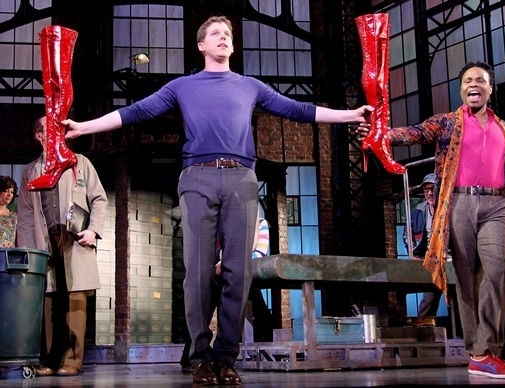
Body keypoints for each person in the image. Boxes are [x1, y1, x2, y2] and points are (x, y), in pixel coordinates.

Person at [61, 15, 371, 386]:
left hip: (241, 178)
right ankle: (200, 358)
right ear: (201, 46)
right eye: (215, 34)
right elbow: (136, 111)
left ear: (232, 46)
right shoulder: (183, 86)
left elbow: (298, 110)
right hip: (197, 177)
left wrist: (351, 114)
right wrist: (83, 127)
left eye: (228, 34)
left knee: (239, 274)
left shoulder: (250, 86)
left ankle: (226, 358)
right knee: (197, 275)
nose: (223, 38)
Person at [358, 61, 505, 379]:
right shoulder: (448, 123)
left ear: (490, 88)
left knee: (499, 270)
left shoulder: (503, 128)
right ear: (462, 89)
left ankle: (490, 349)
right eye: (467, 80)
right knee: (467, 277)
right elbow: (414, 133)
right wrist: (380, 134)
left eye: (480, 80)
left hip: (499, 203)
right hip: (460, 201)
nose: (473, 84)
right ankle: (478, 354)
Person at [17, 116, 108, 377]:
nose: (58, 131)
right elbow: (24, 215)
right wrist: (28, 252)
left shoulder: (81, 163)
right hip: (43, 241)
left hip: (74, 240)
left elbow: (99, 199)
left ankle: (73, 359)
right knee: (47, 303)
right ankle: (48, 359)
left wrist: (93, 230)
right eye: (50, 128)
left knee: (74, 300)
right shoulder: (30, 171)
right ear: (39, 136)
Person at [403, 173, 442, 319]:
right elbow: (407, 234)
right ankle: (424, 327)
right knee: (429, 298)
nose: (429, 193)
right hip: (429, 260)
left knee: (456, 296)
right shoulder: (418, 210)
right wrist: (413, 254)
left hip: (448, 259)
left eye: (432, 189)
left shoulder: (448, 208)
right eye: (426, 190)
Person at [0, 175, 18, 247]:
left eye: (12, 192)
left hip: (9, 256)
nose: (9, 195)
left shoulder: (15, 216)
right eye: (6, 191)